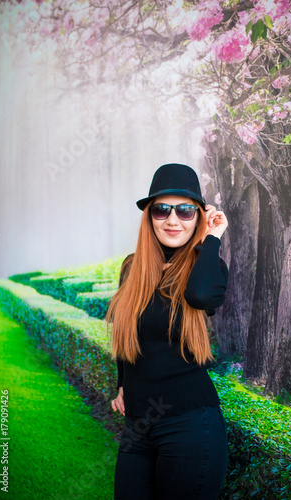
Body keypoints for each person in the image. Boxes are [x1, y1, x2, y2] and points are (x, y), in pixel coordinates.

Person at [108, 163, 229, 500]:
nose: (173, 220)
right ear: (149, 216)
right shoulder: (133, 267)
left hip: (190, 426)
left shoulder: (208, 267)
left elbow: (201, 296)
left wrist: (212, 238)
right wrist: (122, 383)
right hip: (137, 428)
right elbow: (126, 332)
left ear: (200, 217)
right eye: (162, 209)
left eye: (186, 210)